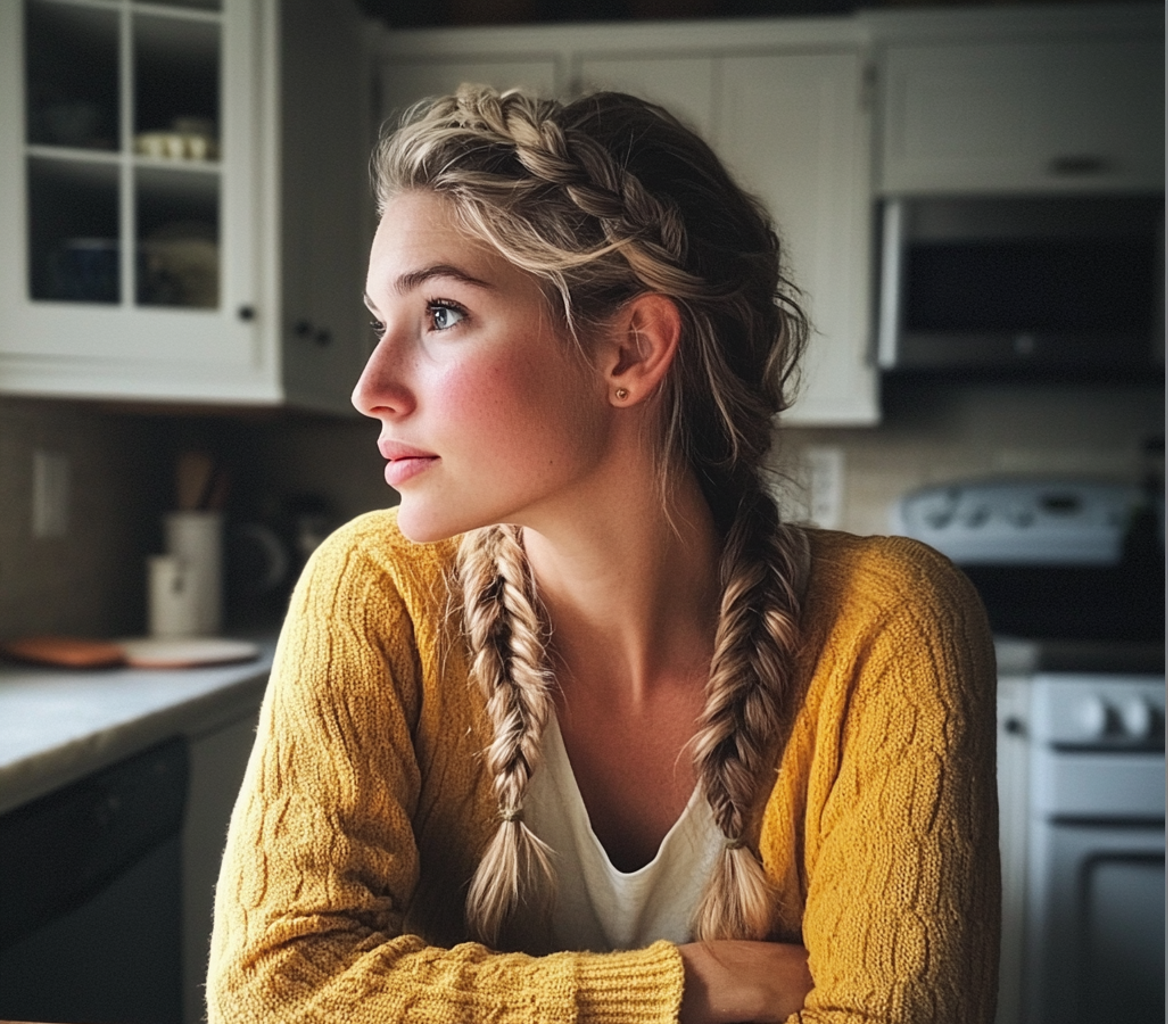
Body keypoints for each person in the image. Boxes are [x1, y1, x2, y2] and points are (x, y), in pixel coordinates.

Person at [207, 85, 999, 1023]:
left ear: (630, 350)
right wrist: (697, 988)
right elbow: (274, 993)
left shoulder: (888, 625)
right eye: (385, 323)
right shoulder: (374, 591)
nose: (370, 387)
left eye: (443, 313)